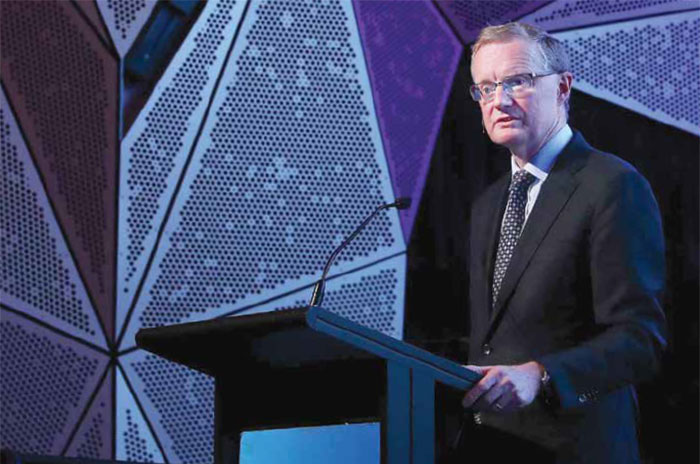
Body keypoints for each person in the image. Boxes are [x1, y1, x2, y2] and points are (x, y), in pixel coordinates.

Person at [458, 22, 667, 463]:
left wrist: (543, 375)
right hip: (496, 449)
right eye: (486, 87)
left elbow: (639, 339)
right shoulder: (487, 205)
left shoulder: (611, 185)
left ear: (563, 87)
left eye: (518, 81)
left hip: (577, 449)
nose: (500, 100)